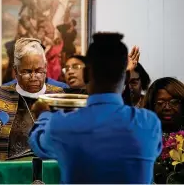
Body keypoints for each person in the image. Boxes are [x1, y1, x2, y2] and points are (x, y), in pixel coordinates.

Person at [29, 33, 162, 184]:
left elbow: (38, 144)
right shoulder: (150, 124)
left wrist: (43, 115)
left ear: (86, 75)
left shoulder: (62, 125)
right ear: (126, 79)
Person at [0, 38, 64, 161]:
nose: (34, 77)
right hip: (11, 173)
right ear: (16, 70)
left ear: (45, 67)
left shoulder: (59, 96)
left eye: (39, 71)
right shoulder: (1, 95)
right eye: (27, 71)